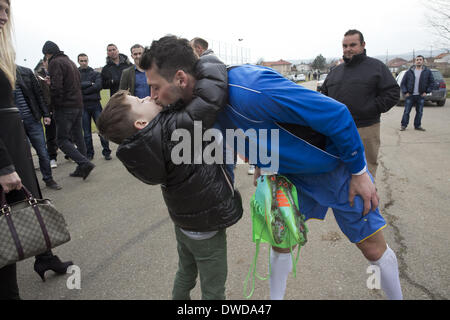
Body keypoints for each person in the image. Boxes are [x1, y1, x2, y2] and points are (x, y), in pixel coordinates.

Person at [146, 35, 402, 300]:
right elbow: (248, 132)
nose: (152, 96)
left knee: (372, 248)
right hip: (285, 175)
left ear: (180, 78)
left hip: (333, 169)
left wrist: (359, 171)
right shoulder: (201, 106)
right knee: (280, 241)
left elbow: (335, 113)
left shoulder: (252, 88)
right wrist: (260, 161)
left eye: (154, 87)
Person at [98, 36, 243, 300]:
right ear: (141, 124)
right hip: (205, 227)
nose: (148, 96)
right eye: (141, 102)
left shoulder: (141, 149)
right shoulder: (173, 129)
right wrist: (205, 60)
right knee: (213, 287)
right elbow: (211, 99)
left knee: (185, 274)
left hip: (183, 224)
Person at [0, 0, 72, 300]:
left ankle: (44, 258)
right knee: (4, 226)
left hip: (13, 139)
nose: (4, 16)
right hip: (5, 148)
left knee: (27, 204)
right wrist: (3, 165)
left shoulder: (8, 55)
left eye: (7, 9)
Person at [321, 29, 399, 178]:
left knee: (365, 171)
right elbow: (323, 97)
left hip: (366, 128)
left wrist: (370, 108)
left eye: (353, 45)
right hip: (338, 130)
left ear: (363, 45)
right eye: (345, 46)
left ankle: (366, 201)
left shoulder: (376, 67)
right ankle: (343, 200)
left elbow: (393, 93)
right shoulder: (335, 72)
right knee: (339, 170)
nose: (348, 49)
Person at [42, 40, 95, 179]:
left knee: (62, 140)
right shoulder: (70, 62)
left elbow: (57, 88)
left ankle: (84, 163)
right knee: (78, 137)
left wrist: (54, 106)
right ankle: (82, 167)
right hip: (77, 104)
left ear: (47, 54)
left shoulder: (54, 63)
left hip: (64, 107)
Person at [14, 65, 61, 189]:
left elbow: (38, 94)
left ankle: (49, 179)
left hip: (32, 119)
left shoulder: (25, 72)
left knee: (42, 152)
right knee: (23, 155)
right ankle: (28, 185)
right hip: (15, 124)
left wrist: (46, 114)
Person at [78, 53, 112, 160]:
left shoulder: (95, 73)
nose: (84, 63)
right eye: (81, 61)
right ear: (78, 61)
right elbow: (76, 88)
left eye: (85, 60)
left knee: (102, 129)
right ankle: (89, 154)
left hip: (96, 104)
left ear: (88, 61)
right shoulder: (76, 74)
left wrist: (84, 88)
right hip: (83, 106)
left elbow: (98, 86)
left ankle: (106, 152)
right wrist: (90, 84)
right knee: (87, 133)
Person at [400, 55, 434, 132]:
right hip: (410, 95)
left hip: (420, 95)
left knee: (419, 112)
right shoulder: (409, 71)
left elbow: (432, 83)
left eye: (420, 60)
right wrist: (405, 92)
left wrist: (427, 91)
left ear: (423, 61)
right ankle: (403, 125)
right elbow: (403, 83)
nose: (418, 61)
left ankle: (417, 125)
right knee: (406, 111)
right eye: (417, 60)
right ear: (415, 61)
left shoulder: (427, 72)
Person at [35, 56, 58, 168]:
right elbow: (39, 95)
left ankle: (69, 154)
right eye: (48, 61)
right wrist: (46, 111)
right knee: (50, 134)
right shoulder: (38, 76)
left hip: (59, 107)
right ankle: (52, 157)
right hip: (47, 110)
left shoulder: (57, 72)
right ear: (43, 63)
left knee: (65, 132)